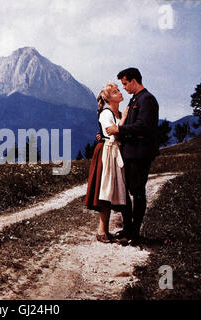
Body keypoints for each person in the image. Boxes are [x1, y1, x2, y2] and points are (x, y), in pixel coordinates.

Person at [105, 67, 159, 245]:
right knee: (127, 192)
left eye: (125, 84)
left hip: (140, 153)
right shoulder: (135, 99)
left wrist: (119, 129)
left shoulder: (147, 100)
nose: (124, 88)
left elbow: (143, 126)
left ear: (134, 81)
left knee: (138, 192)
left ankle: (134, 233)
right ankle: (128, 229)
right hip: (130, 153)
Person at [84, 82, 129, 243]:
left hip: (114, 151)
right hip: (107, 152)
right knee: (106, 189)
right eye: (116, 92)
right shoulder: (107, 113)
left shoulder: (114, 114)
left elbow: (115, 131)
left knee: (111, 190)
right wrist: (123, 120)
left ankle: (105, 230)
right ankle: (102, 230)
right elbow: (113, 135)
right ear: (109, 98)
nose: (120, 93)